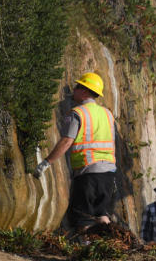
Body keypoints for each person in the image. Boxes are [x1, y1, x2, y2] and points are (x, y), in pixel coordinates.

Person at [35, 72, 116, 230]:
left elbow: (66, 141)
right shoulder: (107, 114)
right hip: (108, 173)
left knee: (82, 217)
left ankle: (86, 248)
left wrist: (46, 162)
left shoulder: (78, 113)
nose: (73, 90)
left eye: (77, 87)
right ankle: (109, 247)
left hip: (88, 172)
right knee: (102, 214)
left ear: (84, 91)